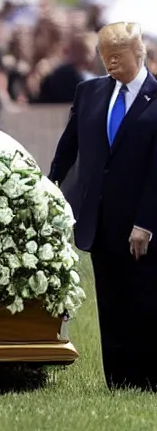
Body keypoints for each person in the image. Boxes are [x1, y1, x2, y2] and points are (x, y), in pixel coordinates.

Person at [48, 22, 157, 391]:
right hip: (99, 220)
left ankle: (148, 379)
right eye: (103, 54)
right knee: (110, 303)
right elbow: (68, 149)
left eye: (117, 54)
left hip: (142, 222)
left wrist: (145, 222)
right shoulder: (90, 92)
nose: (109, 61)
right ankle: (118, 380)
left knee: (144, 301)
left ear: (138, 52)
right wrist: (47, 188)